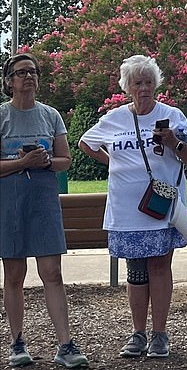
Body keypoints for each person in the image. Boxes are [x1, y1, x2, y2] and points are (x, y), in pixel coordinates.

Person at [79, 55, 187, 359]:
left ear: (156, 84)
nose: (144, 88)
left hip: (160, 207)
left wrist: (173, 142)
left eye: (149, 82)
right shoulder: (115, 118)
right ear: (127, 87)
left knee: (160, 267)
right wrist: (115, 164)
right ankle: (138, 333)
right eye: (138, 83)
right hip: (127, 208)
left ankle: (159, 334)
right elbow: (86, 143)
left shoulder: (172, 116)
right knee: (135, 272)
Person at [0, 53, 89, 368]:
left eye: (34, 72)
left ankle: (65, 345)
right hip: (9, 205)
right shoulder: (1, 116)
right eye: (22, 72)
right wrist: (22, 163)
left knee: (52, 273)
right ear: (9, 80)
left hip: (43, 203)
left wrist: (46, 161)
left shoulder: (51, 115)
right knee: (14, 275)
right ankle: (16, 343)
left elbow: (65, 160)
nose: (29, 77)